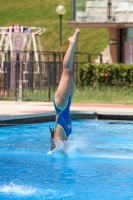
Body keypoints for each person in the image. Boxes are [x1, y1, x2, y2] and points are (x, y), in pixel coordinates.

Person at [49, 28, 80, 151]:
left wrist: (62, 151)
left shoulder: (58, 134)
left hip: (61, 105)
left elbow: (57, 141)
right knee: (71, 72)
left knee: (66, 72)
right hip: (67, 103)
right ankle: (74, 43)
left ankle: (72, 42)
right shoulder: (66, 134)